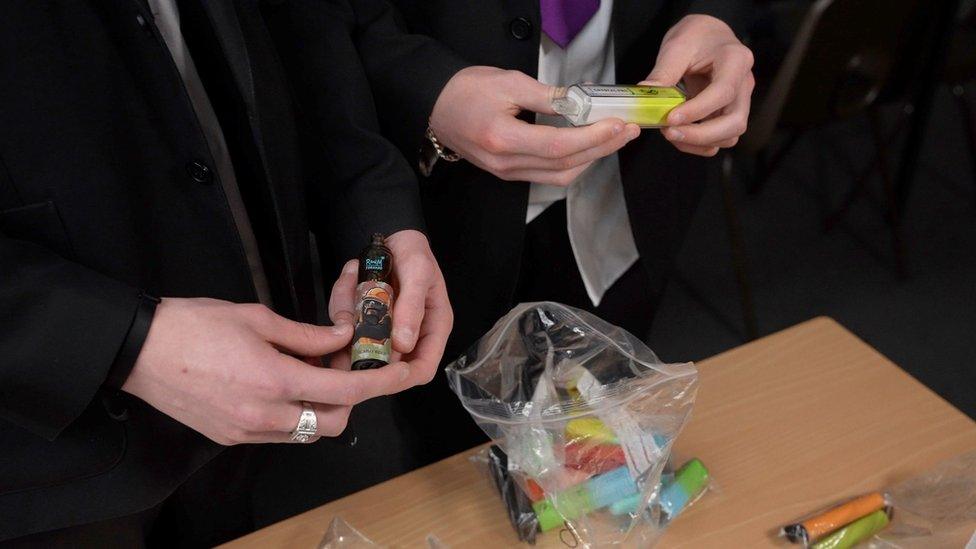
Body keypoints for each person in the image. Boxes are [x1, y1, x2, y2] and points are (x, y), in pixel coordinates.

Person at [0, 0, 451, 545]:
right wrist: (124, 339)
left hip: (304, 396)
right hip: (52, 472)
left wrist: (383, 224)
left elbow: (307, 50)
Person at [340, 0, 755, 465]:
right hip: (450, 210)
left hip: (631, 192)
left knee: (605, 416)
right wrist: (429, 89)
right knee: (453, 437)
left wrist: (716, 16)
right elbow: (316, 24)